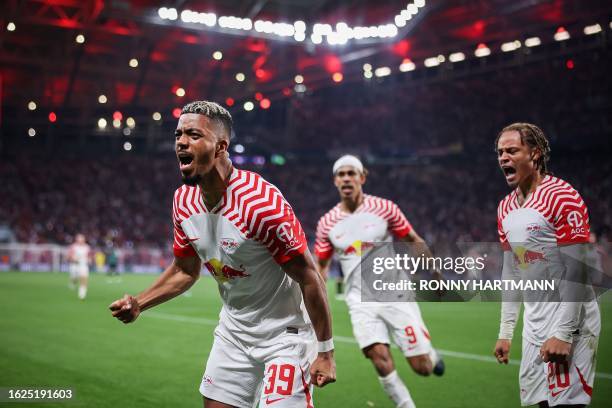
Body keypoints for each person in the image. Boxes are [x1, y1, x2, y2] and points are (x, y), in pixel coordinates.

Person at [109, 100, 335, 408]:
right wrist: (139, 303)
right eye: (178, 135)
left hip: (285, 335)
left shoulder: (260, 203)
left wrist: (325, 352)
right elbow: (185, 271)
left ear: (220, 147)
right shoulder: (183, 201)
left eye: (193, 135)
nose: (181, 143)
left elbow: (310, 277)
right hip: (234, 332)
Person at [314, 155, 443, 408]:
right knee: (378, 356)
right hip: (359, 302)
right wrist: (317, 301)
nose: (346, 178)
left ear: (363, 177)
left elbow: (413, 239)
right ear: (335, 181)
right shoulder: (326, 223)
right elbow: (321, 266)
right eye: (341, 174)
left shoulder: (385, 208)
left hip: (395, 295)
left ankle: (430, 354)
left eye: (352, 173)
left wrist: (435, 273)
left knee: (423, 368)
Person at [492, 123, 600, 407]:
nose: (503, 157)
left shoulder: (562, 196)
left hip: (570, 321)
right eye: (500, 152)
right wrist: (505, 332)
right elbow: (511, 272)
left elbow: (578, 268)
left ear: (536, 154)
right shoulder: (505, 208)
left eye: (512, 150)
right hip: (534, 324)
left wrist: (564, 333)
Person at [67, 233, 91, 300]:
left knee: (84, 279)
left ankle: (82, 294)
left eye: (82, 239)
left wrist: (89, 260)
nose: (81, 240)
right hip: (74, 265)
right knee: (74, 278)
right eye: (79, 239)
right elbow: (68, 257)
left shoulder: (87, 247)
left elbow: (89, 256)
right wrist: (73, 259)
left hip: (83, 265)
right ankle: (73, 282)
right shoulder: (73, 247)